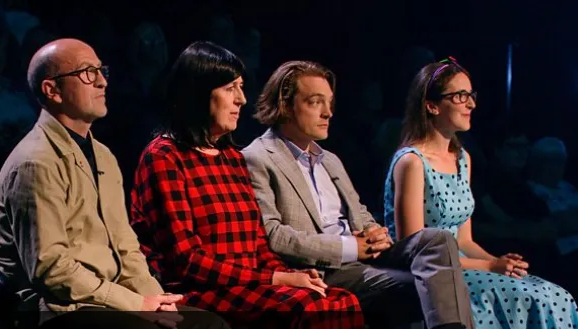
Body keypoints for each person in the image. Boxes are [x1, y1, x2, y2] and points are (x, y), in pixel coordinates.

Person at [0, 38, 229, 329]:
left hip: (105, 296)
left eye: (102, 71)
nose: (102, 82)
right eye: (87, 73)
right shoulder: (36, 162)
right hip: (57, 308)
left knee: (209, 324)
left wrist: (154, 298)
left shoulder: (102, 155)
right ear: (52, 90)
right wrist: (136, 304)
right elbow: (51, 270)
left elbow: (124, 244)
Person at [130, 41, 365, 329]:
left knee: (339, 299)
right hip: (200, 289)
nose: (241, 99)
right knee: (309, 307)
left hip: (248, 283)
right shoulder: (165, 157)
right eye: (230, 89)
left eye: (241, 87)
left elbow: (257, 243)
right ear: (199, 93)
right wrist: (274, 278)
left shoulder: (230, 157)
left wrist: (292, 274)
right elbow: (186, 260)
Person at [242, 60, 474, 329]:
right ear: (285, 106)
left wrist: (375, 234)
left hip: (364, 254)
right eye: (315, 102)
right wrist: (352, 247)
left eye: (330, 102)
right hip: (324, 268)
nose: (328, 112)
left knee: (439, 240)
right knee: (423, 288)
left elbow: (360, 213)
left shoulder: (328, 159)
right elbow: (274, 235)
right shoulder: (258, 157)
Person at [383, 56, 578, 329]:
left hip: (466, 266)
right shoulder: (412, 162)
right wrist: (488, 267)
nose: (471, 104)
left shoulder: (462, 158)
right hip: (435, 275)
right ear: (431, 105)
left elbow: (464, 240)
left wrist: (498, 261)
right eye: (461, 96)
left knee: (557, 295)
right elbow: (412, 251)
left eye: (471, 95)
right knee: (536, 300)